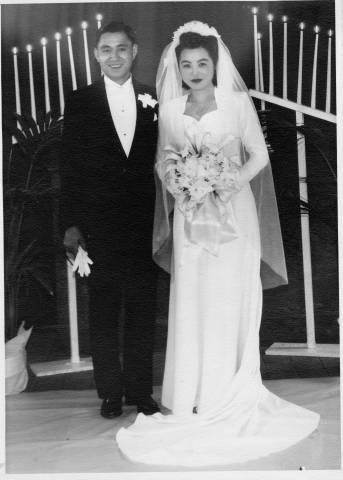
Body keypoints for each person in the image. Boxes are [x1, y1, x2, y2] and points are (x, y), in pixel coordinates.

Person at [116, 21, 320, 466]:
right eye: (186, 64)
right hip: (191, 217)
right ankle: (190, 393)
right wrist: (181, 182)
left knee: (229, 295)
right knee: (193, 298)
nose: (193, 71)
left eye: (201, 63)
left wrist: (227, 181)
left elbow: (259, 155)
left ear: (215, 64)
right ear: (178, 67)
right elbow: (161, 162)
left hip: (233, 213)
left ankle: (228, 389)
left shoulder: (237, 104)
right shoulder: (170, 110)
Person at [60, 21, 160, 419]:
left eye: (122, 48)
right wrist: (71, 224)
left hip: (143, 222)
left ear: (134, 52)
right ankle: (110, 392)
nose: (114, 56)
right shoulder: (80, 100)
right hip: (97, 223)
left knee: (142, 307)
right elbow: (69, 165)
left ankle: (140, 390)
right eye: (106, 49)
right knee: (102, 309)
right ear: (96, 54)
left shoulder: (153, 96)